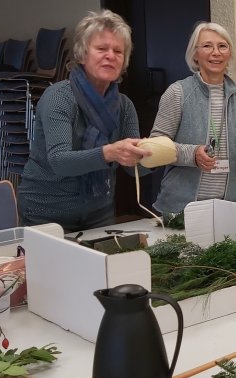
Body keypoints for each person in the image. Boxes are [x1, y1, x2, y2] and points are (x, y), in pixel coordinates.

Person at [17, 10, 150, 232]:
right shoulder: (59, 97)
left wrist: (158, 155)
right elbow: (59, 161)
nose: (111, 55)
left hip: (99, 211)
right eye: (101, 49)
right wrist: (110, 152)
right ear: (82, 54)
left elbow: (131, 168)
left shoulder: (125, 105)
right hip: (46, 213)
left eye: (118, 51)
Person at [151, 22, 236, 215]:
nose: (215, 52)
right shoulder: (177, 93)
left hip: (231, 206)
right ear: (194, 54)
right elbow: (156, 147)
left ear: (229, 54)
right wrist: (192, 154)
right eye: (207, 46)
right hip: (182, 209)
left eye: (222, 46)